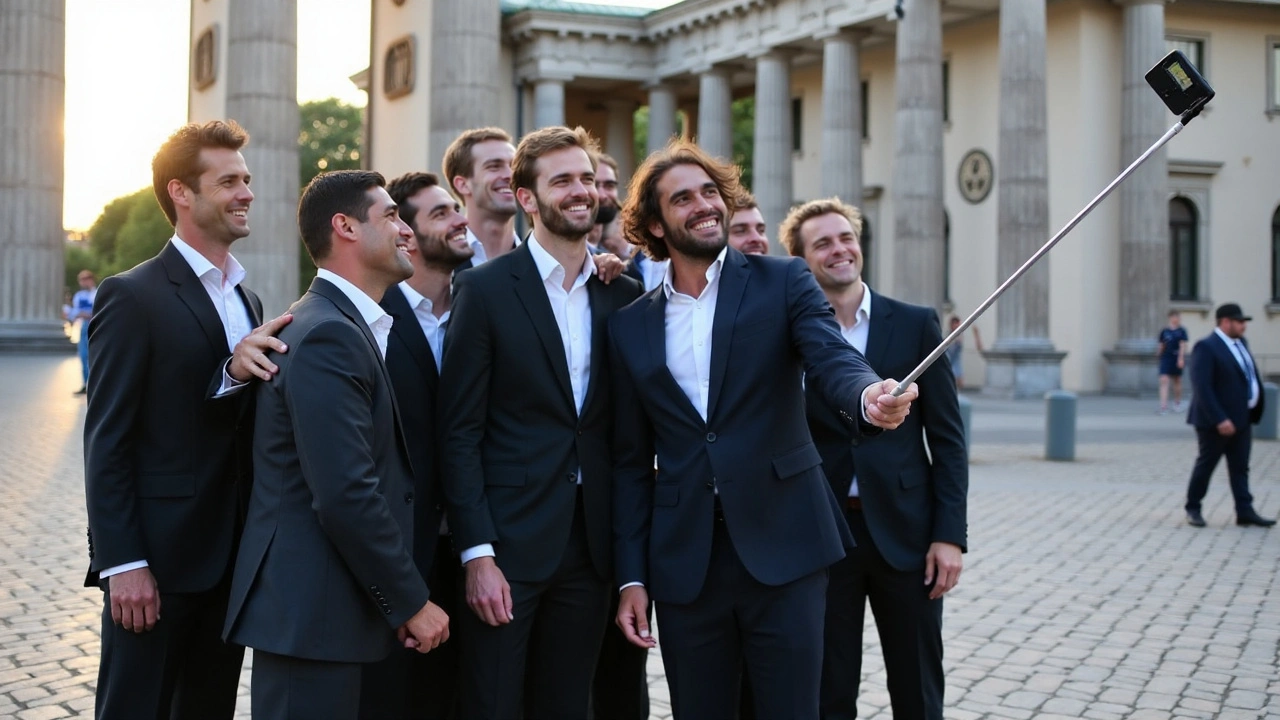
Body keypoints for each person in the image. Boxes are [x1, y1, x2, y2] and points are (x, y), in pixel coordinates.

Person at [610, 140, 918, 719]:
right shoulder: (631, 324)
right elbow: (629, 462)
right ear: (654, 222)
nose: (704, 205)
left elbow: (831, 357)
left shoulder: (784, 281)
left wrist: (867, 394)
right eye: (683, 198)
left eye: (710, 192)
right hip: (685, 562)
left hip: (787, 544)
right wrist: (631, 577)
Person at [223, 170, 450, 720]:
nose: (406, 231)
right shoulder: (328, 333)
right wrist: (411, 600)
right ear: (345, 227)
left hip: (331, 615)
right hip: (312, 619)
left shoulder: (344, 324)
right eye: (392, 215)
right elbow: (346, 492)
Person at [83, 119, 290, 720]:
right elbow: (107, 441)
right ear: (181, 193)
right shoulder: (132, 295)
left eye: (246, 179)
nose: (247, 192)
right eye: (228, 181)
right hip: (156, 569)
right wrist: (122, 564)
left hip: (229, 565)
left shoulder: (246, 299)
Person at [439, 126, 643, 720]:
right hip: (507, 546)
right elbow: (460, 432)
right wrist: (477, 555)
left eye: (586, 178)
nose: (581, 191)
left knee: (568, 705)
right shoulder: (482, 290)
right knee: (493, 703)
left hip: (592, 546)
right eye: (562, 181)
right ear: (527, 199)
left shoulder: (621, 292)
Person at [780, 198, 968, 720]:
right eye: (822, 243)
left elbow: (948, 440)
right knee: (829, 687)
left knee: (917, 684)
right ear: (801, 260)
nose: (839, 250)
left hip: (908, 535)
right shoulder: (788, 334)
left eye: (845, 238)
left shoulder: (914, 324)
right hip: (823, 535)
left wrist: (949, 535)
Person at [358, 171, 474, 720]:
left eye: (457, 208)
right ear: (403, 232)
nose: (460, 218)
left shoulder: (484, 302)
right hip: (402, 555)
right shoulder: (372, 319)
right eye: (441, 213)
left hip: (477, 552)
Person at [1183, 303, 1275, 528]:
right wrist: (1219, 418)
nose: (1244, 326)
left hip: (1242, 418)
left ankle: (1245, 510)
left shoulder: (1241, 343)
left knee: (1240, 467)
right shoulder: (1207, 347)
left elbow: (1248, 376)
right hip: (1215, 421)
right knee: (1206, 465)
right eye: (1240, 321)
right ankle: (1193, 507)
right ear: (1225, 322)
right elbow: (1202, 387)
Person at [442, 127, 522, 268]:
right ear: (463, 185)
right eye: (494, 167)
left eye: (514, 166)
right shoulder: (442, 264)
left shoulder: (542, 263)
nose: (510, 175)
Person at [65, 269, 97, 395]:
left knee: (94, 356)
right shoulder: (79, 295)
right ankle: (86, 383)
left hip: (95, 326)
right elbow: (74, 312)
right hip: (84, 326)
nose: (83, 283)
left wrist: (88, 315)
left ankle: (95, 384)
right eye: (81, 280)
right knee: (84, 356)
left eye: (85, 279)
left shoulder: (97, 293)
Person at [1158, 310, 1189, 414]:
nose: (1177, 319)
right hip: (1166, 357)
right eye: (1176, 317)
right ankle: (1163, 406)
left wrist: (1181, 359)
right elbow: (1162, 344)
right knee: (1164, 380)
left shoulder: (1181, 331)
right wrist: (1159, 353)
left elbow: (1182, 345)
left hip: (1176, 357)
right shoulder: (1165, 331)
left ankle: (1177, 403)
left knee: (1177, 380)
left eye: (1178, 317)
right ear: (1170, 318)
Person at [945, 315, 983, 390]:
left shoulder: (961, 335)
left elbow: (979, 347)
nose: (957, 326)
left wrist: (976, 334)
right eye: (956, 324)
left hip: (956, 363)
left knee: (959, 382)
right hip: (950, 363)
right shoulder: (948, 336)